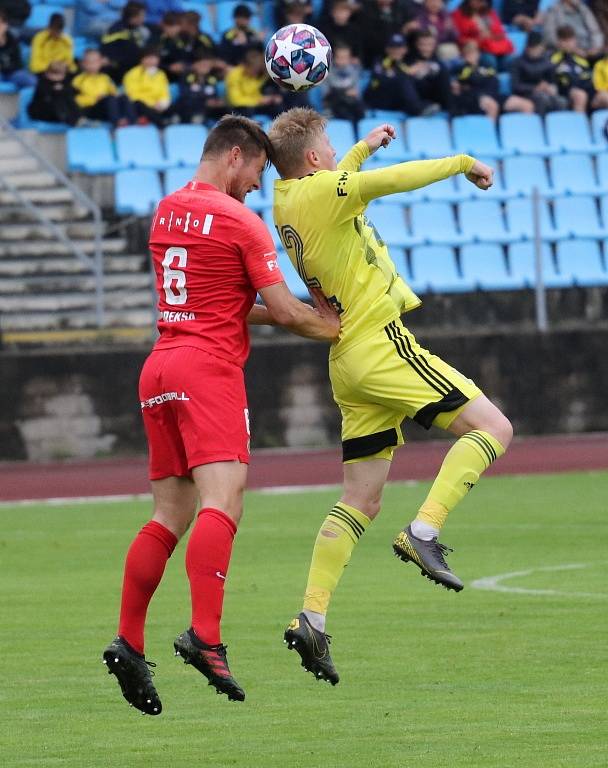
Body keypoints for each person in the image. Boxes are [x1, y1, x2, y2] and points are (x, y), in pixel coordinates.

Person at [102, 115, 339, 715]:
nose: (258, 184)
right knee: (223, 502)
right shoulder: (241, 222)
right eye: (258, 170)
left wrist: (294, 316)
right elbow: (284, 310)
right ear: (235, 156)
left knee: (168, 512)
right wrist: (331, 326)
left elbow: (220, 301)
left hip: (159, 368)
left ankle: (129, 640)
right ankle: (204, 635)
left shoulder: (166, 210)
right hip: (208, 372)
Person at [267, 107, 512, 684]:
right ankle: (423, 532)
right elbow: (390, 183)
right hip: (381, 343)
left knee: (360, 500)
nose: (332, 151)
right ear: (312, 159)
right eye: (327, 145)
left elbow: (340, 181)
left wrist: (360, 148)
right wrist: (462, 163)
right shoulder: (327, 191)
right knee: (493, 429)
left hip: (346, 361)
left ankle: (312, 616)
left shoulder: (287, 199)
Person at [364, 33, 427, 116]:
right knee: (402, 80)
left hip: (398, 100)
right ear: (387, 49)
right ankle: (418, 109)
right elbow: (381, 79)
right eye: (393, 47)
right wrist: (407, 73)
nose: (396, 51)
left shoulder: (407, 62)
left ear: (405, 49)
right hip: (378, 99)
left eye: (399, 47)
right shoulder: (380, 61)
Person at [72, 48, 136, 127]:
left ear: (100, 63)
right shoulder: (78, 80)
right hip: (90, 109)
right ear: (83, 64)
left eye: (95, 62)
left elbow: (114, 93)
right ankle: (116, 123)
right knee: (109, 99)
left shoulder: (105, 78)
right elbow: (76, 100)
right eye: (89, 62)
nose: (92, 65)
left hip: (106, 106)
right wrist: (95, 98)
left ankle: (132, 122)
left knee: (124, 97)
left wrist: (114, 95)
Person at [510, 30, 567, 115]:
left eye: (539, 47)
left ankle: (557, 126)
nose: (537, 50)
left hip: (545, 92)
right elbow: (516, 85)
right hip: (526, 94)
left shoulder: (546, 62)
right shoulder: (518, 62)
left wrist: (551, 87)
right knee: (542, 99)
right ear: (528, 47)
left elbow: (552, 80)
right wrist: (535, 88)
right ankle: (540, 125)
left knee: (561, 101)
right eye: (534, 48)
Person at [452, 0, 514, 70]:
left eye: (482, 1)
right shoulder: (458, 14)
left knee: (510, 60)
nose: (479, 2)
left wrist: (490, 35)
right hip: (477, 50)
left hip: (495, 47)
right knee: (490, 61)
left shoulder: (490, 13)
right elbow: (458, 37)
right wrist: (478, 38)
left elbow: (500, 33)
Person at [225, 42, 283, 117]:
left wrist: (271, 99)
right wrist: (259, 101)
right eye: (254, 69)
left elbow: (256, 94)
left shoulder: (257, 75)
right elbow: (235, 100)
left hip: (255, 107)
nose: (255, 73)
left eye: (257, 69)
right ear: (246, 65)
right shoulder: (234, 75)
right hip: (238, 110)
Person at [101, 1, 152, 82]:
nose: (143, 19)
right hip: (119, 73)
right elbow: (111, 57)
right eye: (142, 16)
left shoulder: (140, 29)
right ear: (133, 17)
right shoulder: (116, 31)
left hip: (136, 70)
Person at [172, 48, 227, 123]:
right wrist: (205, 101)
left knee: (226, 110)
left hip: (208, 109)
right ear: (195, 64)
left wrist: (216, 102)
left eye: (208, 65)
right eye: (203, 65)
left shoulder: (212, 78)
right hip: (191, 108)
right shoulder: (186, 77)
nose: (206, 68)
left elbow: (214, 95)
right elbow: (185, 95)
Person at [451, 40, 501, 119]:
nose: (472, 55)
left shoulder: (486, 66)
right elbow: (469, 82)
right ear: (464, 56)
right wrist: (470, 66)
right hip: (473, 98)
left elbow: (495, 81)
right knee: (492, 106)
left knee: (523, 104)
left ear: (478, 54)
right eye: (468, 53)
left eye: (474, 52)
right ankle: (489, 131)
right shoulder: (461, 69)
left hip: (490, 94)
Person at [405, 29, 452, 113]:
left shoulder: (439, 63)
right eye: (422, 45)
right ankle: (420, 108)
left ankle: (450, 109)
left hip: (435, 99)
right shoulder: (408, 61)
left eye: (429, 45)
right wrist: (408, 72)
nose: (426, 48)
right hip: (415, 99)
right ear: (416, 45)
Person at [123, 46, 172, 125]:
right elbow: (133, 95)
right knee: (139, 105)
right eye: (149, 58)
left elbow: (165, 92)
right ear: (142, 59)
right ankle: (162, 124)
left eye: (154, 58)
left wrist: (163, 103)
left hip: (157, 105)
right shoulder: (132, 74)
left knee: (174, 106)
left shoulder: (161, 74)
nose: (152, 61)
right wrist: (152, 104)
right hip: (140, 105)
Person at [551, 24, 594, 112]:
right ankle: (579, 125)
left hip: (587, 90)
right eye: (564, 40)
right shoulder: (553, 59)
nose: (568, 43)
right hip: (565, 92)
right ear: (558, 42)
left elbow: (588, 77)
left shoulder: (581, 60)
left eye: (570, 40)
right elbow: (558, 81)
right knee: (580, 95)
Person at [323, 42, 365, 122]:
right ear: (334, 58)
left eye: (345, 57)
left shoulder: (354, 71)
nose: (342, 60)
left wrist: (340, 91)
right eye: (340, 57)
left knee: (359, 109)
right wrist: (345, 92)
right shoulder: (327, 72)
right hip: (333, 107)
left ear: (350, 58)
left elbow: (356, 93)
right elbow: (326, 94)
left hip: (351, 106)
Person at [0, 9, 36, 88]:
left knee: (32, 81)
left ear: (5, 25)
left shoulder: (13, 40)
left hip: (11, 72)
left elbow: (18, 64)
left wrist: (6, 67)